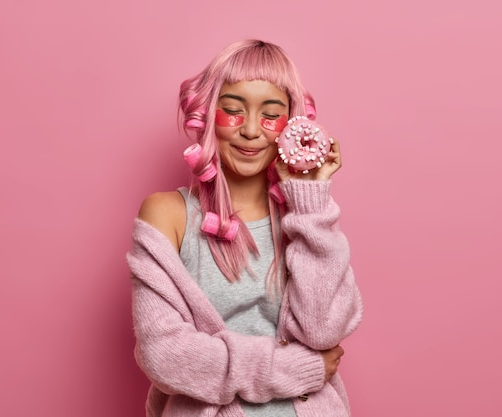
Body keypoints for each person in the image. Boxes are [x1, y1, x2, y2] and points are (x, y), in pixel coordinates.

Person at [127, 39, 363, 417]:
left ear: (292, 126)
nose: (251, 130)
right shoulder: (167, 215)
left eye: (271, 115)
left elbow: (322, 331)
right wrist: (294, 368)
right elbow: (164, 354)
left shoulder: (304, 217)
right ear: (206, 116)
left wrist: (310, 197)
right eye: (233, 111)